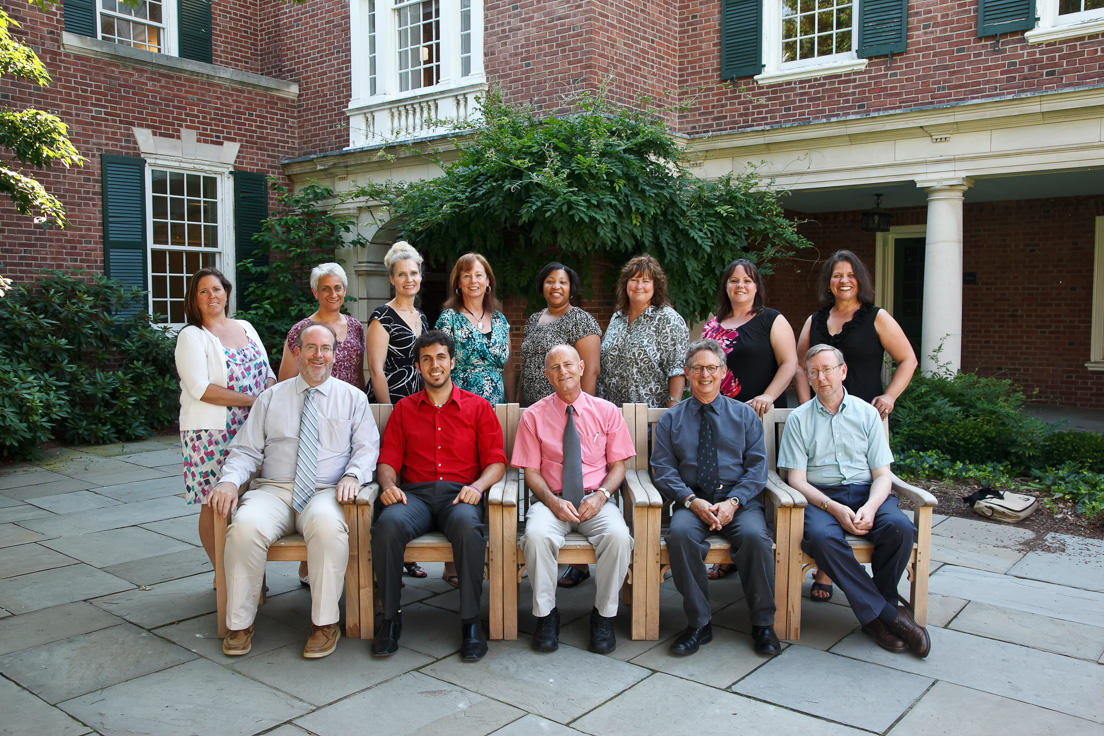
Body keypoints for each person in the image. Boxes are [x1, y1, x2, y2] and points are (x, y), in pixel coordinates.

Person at [210, 323, 380, 659]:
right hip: (273, 490)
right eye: (312, 348)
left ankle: (324, 623)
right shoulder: (271, 398)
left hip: (326, 491)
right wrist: (229, 481)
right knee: (243, 528)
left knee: (329, 529)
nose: (319, 355)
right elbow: (245, 451)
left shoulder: (353, 399)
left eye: (326, 348)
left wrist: (353, 475)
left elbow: (367, 449)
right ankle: (240, 623)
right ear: (298, 353)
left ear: (334, 354)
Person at [778, 344, 930, 658]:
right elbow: (796, 480)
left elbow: (883, 475)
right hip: (821, 497)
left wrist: (871, 507)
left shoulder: (867, 414)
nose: (822, 377)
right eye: (814, 372)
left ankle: (877, 613)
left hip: (867, 493)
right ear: (808, 377)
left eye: (828, 369)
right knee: (821, 538)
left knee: (900, 528)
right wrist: (832, 507)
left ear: (843, 371)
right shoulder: (799, 419)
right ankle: (888, 616)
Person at [370, 330, 507, 662]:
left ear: (452, 362)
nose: (435, 365)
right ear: (418, 366)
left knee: (466, 527)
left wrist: (477, 488)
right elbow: (387, 460)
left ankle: (471, 622)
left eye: (441, 357)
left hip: (459, 495)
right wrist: (389, 487)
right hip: (413, 497)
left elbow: (496, 461)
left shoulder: (478, 407)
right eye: (427, 359)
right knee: (387, 526)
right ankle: (390, 619)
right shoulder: (404, 410)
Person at [795, 250, 918, 600]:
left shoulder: (876, 318)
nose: (843, 280)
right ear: (828, 282)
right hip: (821, 416)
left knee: (864, 483)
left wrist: (891, 395)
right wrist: (807, 405)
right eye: (836, 275)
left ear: (860, 280)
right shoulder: (815, 319)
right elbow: (802, 366)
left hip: (862, 416)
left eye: (850, 274)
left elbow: (907, 358)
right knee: (827, 481)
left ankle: (866, 588)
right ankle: (828, 572)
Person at [651, 339, 781, 657]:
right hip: (692, 502)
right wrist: (690, 501)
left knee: (755, 538)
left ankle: (763, 624)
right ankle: (699, 623)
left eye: (712, 368)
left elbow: (756, 470)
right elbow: (663, 470)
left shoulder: (745, 416)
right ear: (687, 372)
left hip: (738, 503)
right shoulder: (672, 419)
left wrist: (733, 502)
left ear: (723, 371)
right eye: (697, 368)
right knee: (679, 536)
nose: (705, 374)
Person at [511, 344, 636, 655]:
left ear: (581, 367)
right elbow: (530, 472)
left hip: (597, 500)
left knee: (619, 537)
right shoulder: (533, 417)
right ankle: (545, 616)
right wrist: (553, 503)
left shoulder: (606, 411)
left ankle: (604, 616)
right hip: (552, 502)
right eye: (555, 368)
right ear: (547, 376)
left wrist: (603, 496)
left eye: (568, 365)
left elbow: (619, 465)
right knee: (537, 536)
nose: (562, 371)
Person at [701, 258, 798, 580]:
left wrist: (769, 395)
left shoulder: (772, 319)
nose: (740, 286)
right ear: (725, 286)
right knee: (726, 478)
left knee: (758, 481)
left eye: (747, 280)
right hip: (720, 419)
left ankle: (763, 547)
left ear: (757, 286)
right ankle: (728, 550)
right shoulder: (714, 325)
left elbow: (789, 363)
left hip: (759, 417)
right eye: (733, 280)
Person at [175, 267, 275, 568]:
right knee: (216, 503)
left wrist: (267, 403)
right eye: (202, 291)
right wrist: (253, 402)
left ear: (226, 292)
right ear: (194, 300)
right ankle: (223, 573)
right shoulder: (192, 336)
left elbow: (267, 372)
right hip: (211, 434)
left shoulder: (245, 326)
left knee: (247, 499)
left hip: (254, 428)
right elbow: (200, 387)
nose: (211, 296)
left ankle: (245, 572)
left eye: (216, 289)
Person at [597, 255, 688, 409]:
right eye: (634, 280)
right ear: (626, 284)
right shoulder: (617, 317)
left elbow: (677, 370)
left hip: (649, 418)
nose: (639, 286)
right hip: (611, 415)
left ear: (655, 286)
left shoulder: (668, 319)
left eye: (646, 281)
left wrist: (672, 414)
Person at [519, 262, 602, 407]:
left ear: (571, 289)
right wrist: (518, 403)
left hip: (564, 409)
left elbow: (591, 371)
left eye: (563, 282)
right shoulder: (533, 320)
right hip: (531, 408)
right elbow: (525, 366)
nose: (556, 286)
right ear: (542, 286)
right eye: (550, 281)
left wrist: (582, 411)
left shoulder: (580, 320)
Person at [435, 253, 513, 405]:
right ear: (458, 283)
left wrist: (511, 406)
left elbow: (508, 370)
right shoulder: (449, 318)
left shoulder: (500, 320)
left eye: (479, 275)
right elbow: (438, 365)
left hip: (496, 409)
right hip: (459, 407)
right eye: (466, 276)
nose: (473, 281)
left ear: (488, 280)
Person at [278, 262, 365, 389]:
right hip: (314, 404)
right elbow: (285, 382)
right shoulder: (301, 330)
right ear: (315, 292)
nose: (333, 294)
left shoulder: (355, 327)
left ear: (344, 291)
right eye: (325, 288)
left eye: (337, 288)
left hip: (350, 403)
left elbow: (359, 374)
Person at [366, 241, 430, 404]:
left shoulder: (421, 317)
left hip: (416, 402)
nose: (409, 279)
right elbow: (375, 370)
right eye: (401, 274)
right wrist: (388, 410)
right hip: (390, 401)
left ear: (420, 276)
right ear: (392, 279)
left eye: (414, 273)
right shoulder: (382, 317)